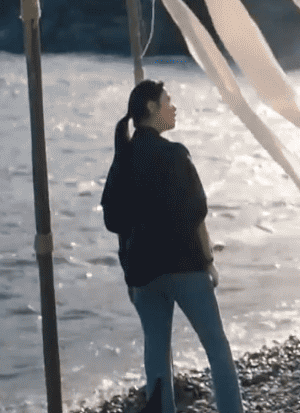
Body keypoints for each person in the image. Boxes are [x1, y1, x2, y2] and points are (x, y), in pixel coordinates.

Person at [101, 79, 244, 412]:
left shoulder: (123, 158)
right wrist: (209, 262)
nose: (174, 107)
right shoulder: (175, 155)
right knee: (216, 348)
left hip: (143, 275)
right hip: (186, 268)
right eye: (168, 101)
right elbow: (197, 214)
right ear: (152, 108)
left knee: (156, 355)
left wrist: (129, 273)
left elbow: (115, 221)